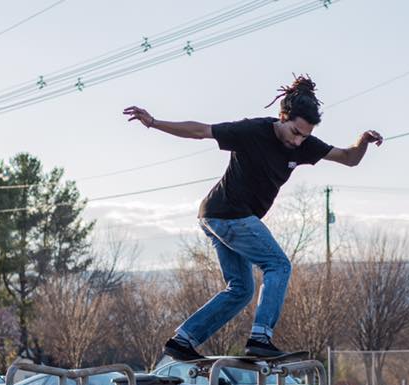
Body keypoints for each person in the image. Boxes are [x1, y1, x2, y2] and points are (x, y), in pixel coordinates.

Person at [123, 75, 382, 360]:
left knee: (242, 289)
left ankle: (183, 340)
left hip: (219, 218)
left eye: (304, 136)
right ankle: (261, 338)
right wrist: (155, 122)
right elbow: (200, 131)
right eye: (294, 132)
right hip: (228, 214)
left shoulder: (306, 144)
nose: (297, 141)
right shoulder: (252, 130)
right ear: (282, 117)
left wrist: (364, 141)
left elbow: (348, 158)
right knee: (278, 265)